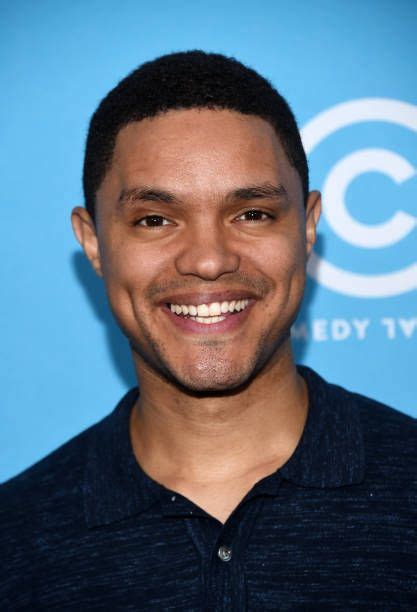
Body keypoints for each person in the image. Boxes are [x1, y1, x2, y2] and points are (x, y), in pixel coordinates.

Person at [1, 50, 415, 610]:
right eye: (155, 219)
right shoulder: (15, 540)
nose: (209, 260)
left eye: (252, 214)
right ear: (93, 242)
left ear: (308, 225)